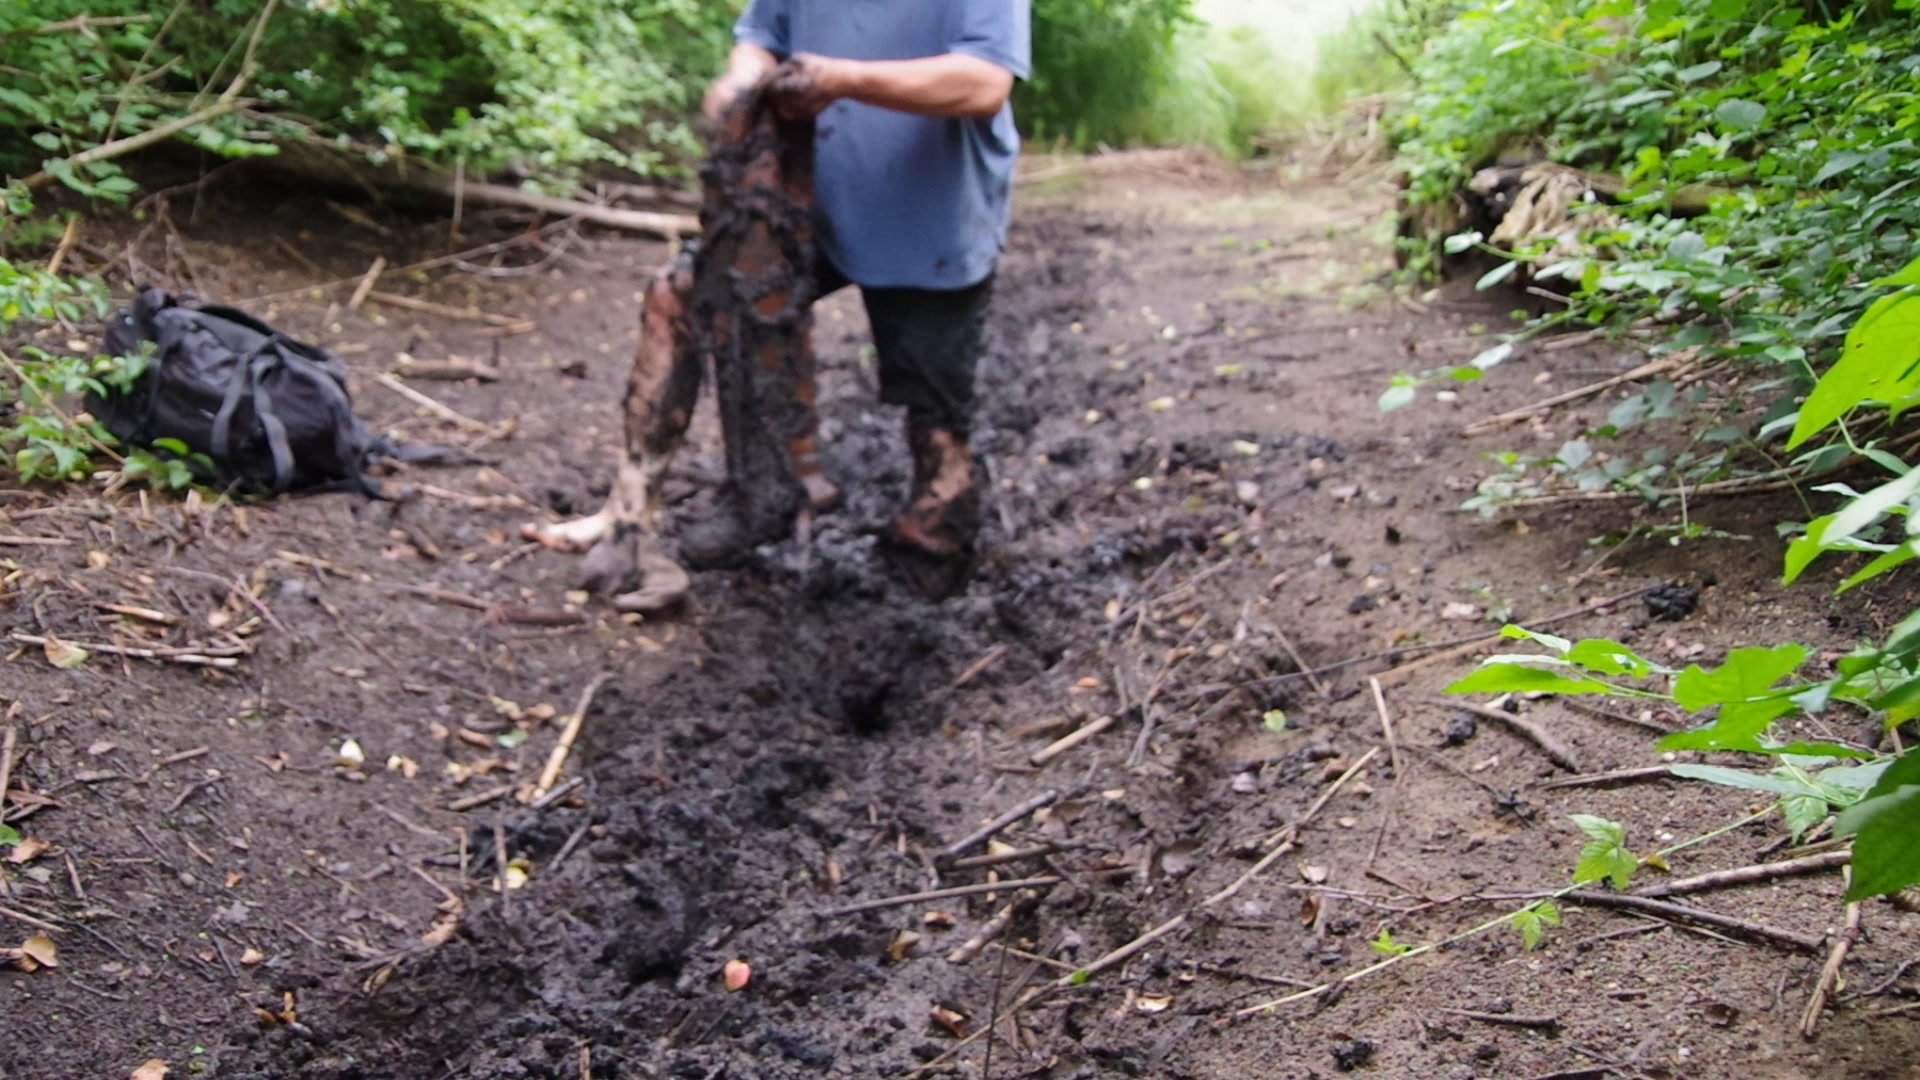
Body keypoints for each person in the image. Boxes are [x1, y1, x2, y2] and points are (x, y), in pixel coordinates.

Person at [700, 0, 1033, 562]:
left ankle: (933, 548)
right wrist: (742, 86)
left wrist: (843, 79)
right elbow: (760, 37)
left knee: (937, 420)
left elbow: (983, 82)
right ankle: (767, 494)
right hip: (805, 194)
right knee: (737, 312)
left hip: (931, 205)